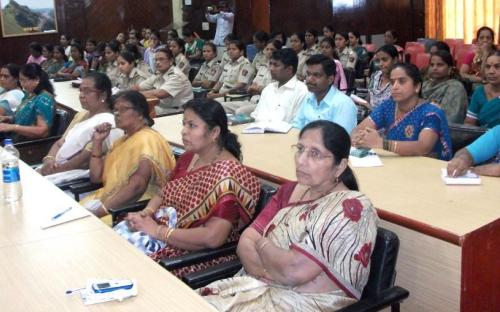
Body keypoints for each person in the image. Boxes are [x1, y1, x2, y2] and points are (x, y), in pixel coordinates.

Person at [200, 120, 379, 311]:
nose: (301, 160)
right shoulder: (290, 191)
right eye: (300, 149)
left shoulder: (350, 208)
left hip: (305, 305)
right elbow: (246, 241)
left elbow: (293, 269)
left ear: (340, 166)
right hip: (257, 287)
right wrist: (268, 273)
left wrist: (262, 244)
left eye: (315, 154)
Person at [114, 98, 260, 278]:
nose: (183, 131)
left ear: (214, 132)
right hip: (165, 233)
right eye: (184, 124)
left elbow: (212, 238)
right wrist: (147, 212)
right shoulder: (189, 157)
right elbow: (162, 193)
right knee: (113, 250)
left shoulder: (228, 175)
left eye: (192, 126)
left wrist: (157, 231)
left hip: (195, 257)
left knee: (125, 270)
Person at [80, 90, 176, 218]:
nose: (117, 114)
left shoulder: (146, 140)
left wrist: (100, 212)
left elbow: (136, 187)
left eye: (123, 109)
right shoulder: (121, 141)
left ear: (140, 114)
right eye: (115, 110)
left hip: (130, 210)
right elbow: (96, 178)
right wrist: (98, 141)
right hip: (107, 201)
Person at [352, 63, 452, 160]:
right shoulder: (388, 106)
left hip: (429, 168)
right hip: (395, 164)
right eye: (392, 82)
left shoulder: (431, 113)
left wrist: (381, 143)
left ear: (417, 87)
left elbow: (423, 147)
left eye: (402, 81)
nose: (395, 87)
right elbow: (357, 130)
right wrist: (360, 138)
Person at [40, 73, 123, 175]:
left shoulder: (108, 123)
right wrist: (49, 159)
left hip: (74, 174)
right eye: (81, 90)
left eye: (87, 91)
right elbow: (60, 142)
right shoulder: (81, 115)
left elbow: (83, 161)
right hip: (54, 167)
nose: (81, 95)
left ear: (103, 95)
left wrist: (55, 171)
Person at [293, 55, 357, 133]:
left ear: (330, 79)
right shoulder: (309, 97)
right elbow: (296, 126)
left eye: (316, 75)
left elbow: (340, 140)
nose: (309, 79)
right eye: (308, 74)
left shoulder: (344, 104)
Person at [220, 40, 280, 115]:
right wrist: (256, 88)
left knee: (240, 112)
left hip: (263, 102)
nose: (269, 52)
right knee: (221, 106)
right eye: (267, 49)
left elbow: (273, 90)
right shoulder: (262, 67)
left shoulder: (278, 70)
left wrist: (257, 88)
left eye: (272, 49)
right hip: (251, 99)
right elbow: (252, 86)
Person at [250, 48, 309, 123]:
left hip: (284, 133)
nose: (271, 68)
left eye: (276, 65)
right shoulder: (269, 88)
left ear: (289, 69)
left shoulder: (302, 91)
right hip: (257, 130)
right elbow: (255, 115)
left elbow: (297, 125)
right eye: (270, 64)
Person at [0, 64, 55, 141]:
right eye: (20, 80)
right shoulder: (30, 94)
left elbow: (42, 131)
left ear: (36, 79)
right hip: (15, 137)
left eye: (24, 80)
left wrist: (12, 127)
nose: (21, 84)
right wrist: (9, 119)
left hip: (27, 145)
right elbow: (24, 117)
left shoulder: (44, 99)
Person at [136, 48, 193, 115]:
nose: (157, 62)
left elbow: (161, 93)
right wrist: (127, 92)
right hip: (162, 108)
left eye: (161, 59)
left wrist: (135, 95)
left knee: (138, 113)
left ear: (171, 61)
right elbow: (139, 87)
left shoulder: (176, 75)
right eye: (156, 60)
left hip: (177, 112)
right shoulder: (159, 73)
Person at [422, 50, 468, 123]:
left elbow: (451, 118)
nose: (435, 68)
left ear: (450, 69)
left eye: (440, 65)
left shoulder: (455, 87)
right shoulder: (424, 85)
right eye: (432, 65)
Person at [464, 51, 500, 128]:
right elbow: (469, 123)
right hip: (483, 137)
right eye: (488, 67)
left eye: (497, 66)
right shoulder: (480, 92)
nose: (491, 71)